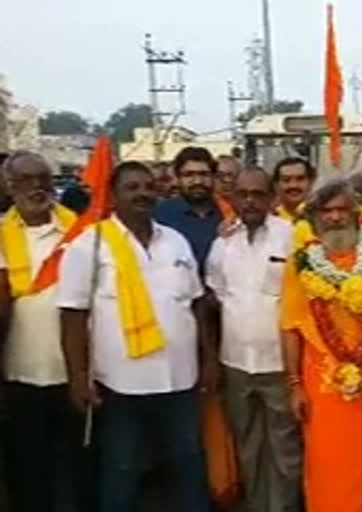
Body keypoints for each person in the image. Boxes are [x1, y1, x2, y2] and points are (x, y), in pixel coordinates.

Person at [58, 161, 217, 512]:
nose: (142, 194)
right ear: (113, 195)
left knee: (188, 464)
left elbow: (197, 305)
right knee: (122, 469)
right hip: (121, 385)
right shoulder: (91, 245)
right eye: (132, 187)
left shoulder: (174, 240)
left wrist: (208, 361)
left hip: (180, 380)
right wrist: (78, 379)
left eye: (147, 187)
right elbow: (72, 316)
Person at [280, 179, 362, 512]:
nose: (335, 218)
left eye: (342, 210)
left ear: (355, 213)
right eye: (327, 211)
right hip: (322, 385)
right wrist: (294, 385)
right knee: (327, 468)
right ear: (316, 217)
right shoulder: (300, 264)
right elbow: (290, 327)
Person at [0, 152, 93, 512]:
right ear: (9, 186)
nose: (37, 187)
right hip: (20, 373)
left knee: (78, 469)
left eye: (43, 178)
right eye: (25, 180)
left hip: (75, 374)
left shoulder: (81, 232)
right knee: (28, 471)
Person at [206, 168, 301, 512]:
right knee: (248, 446)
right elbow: (215, 298)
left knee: (285, 451)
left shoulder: (292, 237)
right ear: (233, 198)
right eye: (243, 194)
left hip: (280, 364)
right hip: (235, 363)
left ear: (272, 197)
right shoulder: (222, 243)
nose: (250, 201)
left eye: (258, 194)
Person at [155, 146, 235, 268]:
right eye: (189, 175)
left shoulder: (230, 214)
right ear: (178, 178)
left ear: (214, 177)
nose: (197, 181)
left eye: (204, 174)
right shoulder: (160, 215)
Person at [272, 157, 315, 222]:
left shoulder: (321, 217)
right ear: (276, 185)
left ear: (310, 182)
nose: (293, 185)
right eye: (286, 180)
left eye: (300, 179)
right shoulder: (269, 219)